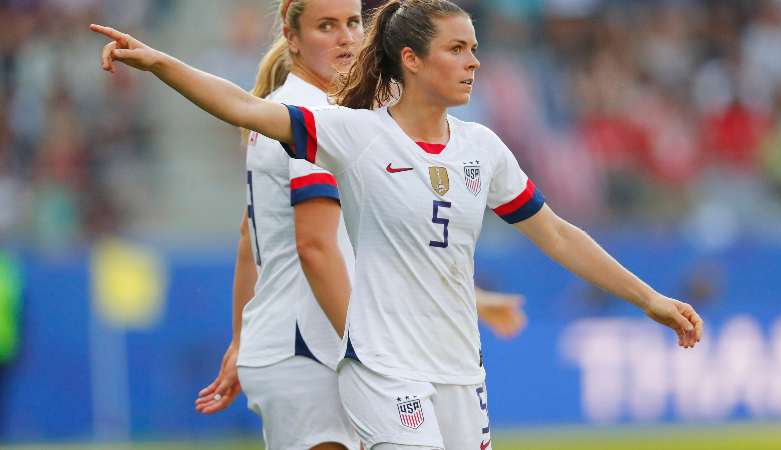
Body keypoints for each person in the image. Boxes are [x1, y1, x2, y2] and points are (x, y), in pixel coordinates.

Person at [91, 1, 703, 448]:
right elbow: (246, 108)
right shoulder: (355, 135)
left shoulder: (482, 149)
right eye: (457, 50)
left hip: (460, 367)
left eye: (475, 49)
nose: (473, 64)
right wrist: (157, 63)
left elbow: (558, 233)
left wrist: (648, 297)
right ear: (410, 60)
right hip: (383, 368)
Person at [183, 1, 526, 449]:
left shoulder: (294, 109)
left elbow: (254, 236)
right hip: (311, 347)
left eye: (351, 23)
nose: (346, 37)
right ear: (292, 37)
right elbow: (315, 247)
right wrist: (374, 359)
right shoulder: (314, 115)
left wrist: (244, 338)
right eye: (326, 26)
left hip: (293, 344)